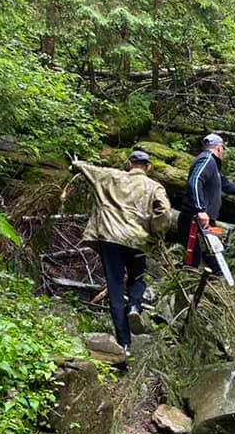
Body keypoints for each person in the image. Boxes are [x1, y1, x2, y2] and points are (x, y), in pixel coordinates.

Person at [72, 150, 171, 356]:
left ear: (130, 164)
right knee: (138, 279)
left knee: (115, 289)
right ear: (148, 167)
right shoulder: (154, 186)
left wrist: (76, 163)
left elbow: (90, 170)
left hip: (110, 239)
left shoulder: (111, 176)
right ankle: (134, 306)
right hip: (137, 240)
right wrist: (154, 231)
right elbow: (165, 211)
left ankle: (124, 344)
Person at [178, 133, 235, 268]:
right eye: (223, 149)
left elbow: (230, 187)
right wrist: (200, 210)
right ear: (219, 148)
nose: (223, 153)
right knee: (193, 260)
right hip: (195, 219)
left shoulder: (214, 167)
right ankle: (188, 283)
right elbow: (195, 181)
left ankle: (213, 282)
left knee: (214, 255)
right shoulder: (206, 160)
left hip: (206, 220)